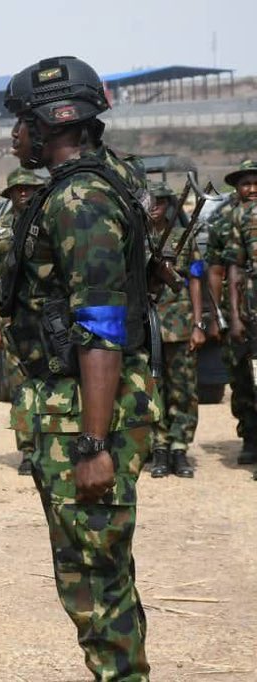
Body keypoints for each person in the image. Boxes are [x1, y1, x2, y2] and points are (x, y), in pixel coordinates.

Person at [1, 56, 160, 681]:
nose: (14, 137)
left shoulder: (80, 201)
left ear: (52, 121)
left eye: (21, 122)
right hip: (80, 405)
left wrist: (93, 446)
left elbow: (101, 327)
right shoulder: (110, 178)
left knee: (92, 576)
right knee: (104, 569)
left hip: (84, 415)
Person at [0, 168, 45, 475]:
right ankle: (28, 451)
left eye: (28, 188)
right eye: (17, 188)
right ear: (9, 194)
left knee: (54, 386)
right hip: (14, 323)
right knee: (21, 391)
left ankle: (54, 446)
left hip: (49, 321)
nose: (23, 192)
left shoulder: (50, 224)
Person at [146, 181, 205, 478]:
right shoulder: (136, 237)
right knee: (153, 388)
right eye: (150, 200)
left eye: (160, 200)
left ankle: (179, 447)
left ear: (169, 204)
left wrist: (198, 323)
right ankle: (159, 447)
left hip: (180, 323)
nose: (155, 206)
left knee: (184, 389)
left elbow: (195, 279)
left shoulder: (184, 236)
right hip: (148, 324)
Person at [205, 187, 254, 465]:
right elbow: (216, 269)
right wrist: (216, 317)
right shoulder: (223, 219)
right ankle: (250, 437)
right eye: (246, 182)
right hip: (236, 310)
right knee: (240, 376)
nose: (252, 188)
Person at [223, 159, 257, 479]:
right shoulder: (239, 217)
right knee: (248, 379)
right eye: (246, 183)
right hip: (252, 310)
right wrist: (233, 316)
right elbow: (232, 266)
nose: (253, 189)